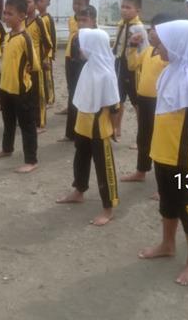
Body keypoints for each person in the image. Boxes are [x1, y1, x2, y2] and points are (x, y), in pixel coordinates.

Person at [138, 20, 188, 287]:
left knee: (187, 207)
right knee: (167, 203)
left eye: (162, 43)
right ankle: (167, 244)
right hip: (162, 153)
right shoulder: (170, 73)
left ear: (179, 45)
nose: (157, 48)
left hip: (183, 160)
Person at [56, 28, 120, 226]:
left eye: (83, 45)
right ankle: (79, 190)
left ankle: (108, 208)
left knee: (104, 166)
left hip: (99, 126)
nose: (80, 49)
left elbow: (114, 106)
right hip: (83, 122)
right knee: (80, 158)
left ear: (92, 46)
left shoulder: (106, 73)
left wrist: (115, 129)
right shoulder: (88, 67)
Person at [121, 13, 172, 182]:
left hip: (160, 103)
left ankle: (162, 182)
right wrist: (133, 46)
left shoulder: (169, 55)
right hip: (143, 100)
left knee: (160, 140)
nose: (151, 32)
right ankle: (141, 171)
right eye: (151, 29)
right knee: (143, 137)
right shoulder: (149, 50)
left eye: (155, 30)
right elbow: (132, 65)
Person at [0, 0, 41, 173]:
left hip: (21, 91)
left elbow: (35, 65)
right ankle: (7, 148)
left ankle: (31, 160)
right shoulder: (7, 36)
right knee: (8, 122)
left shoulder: (25, 38)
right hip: (5, 88)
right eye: (4, 13)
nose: (5, 17)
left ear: (21, 16)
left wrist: (24, 76)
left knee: (27, 126)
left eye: (9, 14)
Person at [58, 5, 97, 142]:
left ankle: (90, 134)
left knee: (89, 104)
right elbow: (73, 59)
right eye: (79, 20)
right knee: (73, 99)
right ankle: (71, 134)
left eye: (84, 20)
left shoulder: (97, 37)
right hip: (76, 73)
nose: (81, 23)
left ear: (93, 21)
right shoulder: (76, 37)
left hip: (91, 76)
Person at [112, 0, 147, 139]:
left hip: (133, 68)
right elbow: (117, 45)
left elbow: (144, 50)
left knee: (137, 102)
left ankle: (141, 136)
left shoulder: (139, 28)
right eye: (122, 7)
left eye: (128, 7)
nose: (124, 10)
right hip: (119, 64)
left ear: (137, 10)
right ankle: (116, 128)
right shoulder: (121, 24)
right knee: (118, 99)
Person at [23, 0, 52, 133]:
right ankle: (29, 119)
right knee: (26, 93)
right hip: (25, 65)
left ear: (35, 4)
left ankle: (40, 123)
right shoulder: (22, 21)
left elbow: (48, 43)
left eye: (28, 2)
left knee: (38, 93)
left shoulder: (39, 21)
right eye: (23, 1)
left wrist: (42, 59)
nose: (25, 4)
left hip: (37, 64)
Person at [58, 0, 91, 116]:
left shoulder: (88, 20)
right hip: (69, 54)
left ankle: (78, 109)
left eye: (79, 4)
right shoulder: (71, 19)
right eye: (74, 3)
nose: (76, 6)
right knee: (70, 84)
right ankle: (70, 106)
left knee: (79, 84)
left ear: (87, 4)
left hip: (81, 56)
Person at [38, 0, 57, 107]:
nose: (39, 4)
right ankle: (43, 97)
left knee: (48, 76)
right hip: (39, 52)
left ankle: (50, 99)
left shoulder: (47, 18)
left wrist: (52, 52)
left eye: (42, 1)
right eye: (38, 1)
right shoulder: (37, 18)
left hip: (46, 53)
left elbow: (52, 36)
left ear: (48, 3)